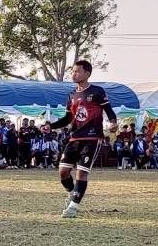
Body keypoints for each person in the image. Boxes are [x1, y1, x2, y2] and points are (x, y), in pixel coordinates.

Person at [46, 60, 117, 218]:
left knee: (81, 173)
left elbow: (109, 110)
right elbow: (68, 118)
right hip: (74, 138)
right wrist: (51, 126)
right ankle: (73, 194)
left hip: (92, 138)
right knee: (63, 172)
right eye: (72, 71)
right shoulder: (71, 95)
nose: (74, 74)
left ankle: (72, 207)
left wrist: (113, 122)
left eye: (77, 71)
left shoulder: (97, 91)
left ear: (87, 74)